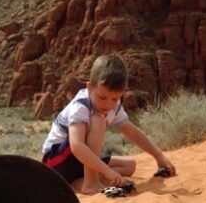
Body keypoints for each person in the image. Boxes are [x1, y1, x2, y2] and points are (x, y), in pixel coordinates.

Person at [42, 53, 177, 195]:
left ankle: (77, 181)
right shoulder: (81, 105)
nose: (108, 104)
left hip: (76, 163)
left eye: (114, 99)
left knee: (129, 166)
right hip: (55, 162)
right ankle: (91, 183)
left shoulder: (114, 107)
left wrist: (158, 156)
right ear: (89, 87)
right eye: (102, 97)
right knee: (98, 120)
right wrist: (108, 172)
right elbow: (77, 146)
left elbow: (132, 132)